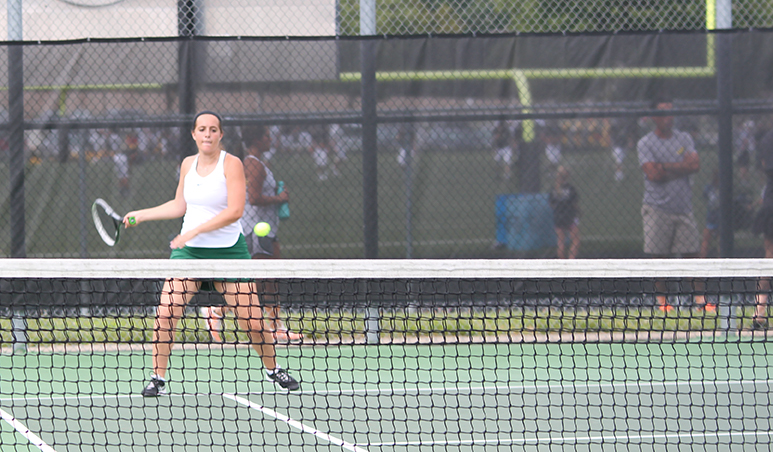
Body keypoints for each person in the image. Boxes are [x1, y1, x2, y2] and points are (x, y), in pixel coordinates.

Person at [124, 111, 300, 396]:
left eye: (213, 129)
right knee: (166, 314)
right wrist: (141, 215)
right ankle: (158, 378)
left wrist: (193, 231)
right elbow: (180, 205)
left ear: (220, 135)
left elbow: (235, 211)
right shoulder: (186, 165)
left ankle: (272, 369)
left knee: (254, 324)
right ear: (194, 134)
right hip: (189, 255)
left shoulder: (232, 164)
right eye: (202, 129)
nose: (207, 134)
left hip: (230, 253)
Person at [200, 124, 303, 344]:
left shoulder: (257, 163)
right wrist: (281, 199)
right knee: (257, 281)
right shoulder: (253, 165)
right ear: (257, 139)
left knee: (271, 279)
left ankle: (276, 326)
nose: (270, 139)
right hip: (256, 230)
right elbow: (254, 198)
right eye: (266, 135)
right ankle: (216, 312)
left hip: (267, 229)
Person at [637, 99, 711, 312]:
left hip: (683, 209)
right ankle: (663, 303)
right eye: (663, 113)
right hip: (656, 209)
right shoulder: (646, 143)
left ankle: (701, 301)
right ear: (654, 117)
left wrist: (666, 166)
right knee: (659, 258)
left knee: (692, 256)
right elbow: (653, 173)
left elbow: (694, 165)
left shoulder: (684, 138)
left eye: (671, 112)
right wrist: (681, 167)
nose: (669, 117)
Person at [750, 127, 773, 330]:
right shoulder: (769, 139)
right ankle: (759, 312)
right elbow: (767, 166)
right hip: (771, 206)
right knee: (770, 255)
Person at [548, 166, 580, 259]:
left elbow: (551, 204)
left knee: (561, 241)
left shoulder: (553, 189)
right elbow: (575, 203)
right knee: (576, 240)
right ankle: (571, 260)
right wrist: (578, 211)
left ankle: (563, 263)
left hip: (558, 216)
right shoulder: (570, 189)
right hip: (570, 216)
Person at [699, 169, 720, 258]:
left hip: (719, 217)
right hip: (712, 216)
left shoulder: (722, 187)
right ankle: (702, 259)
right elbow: (705, 196)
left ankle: (721, 260)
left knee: (720, 241)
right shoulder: (709, 187)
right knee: (706, 240)